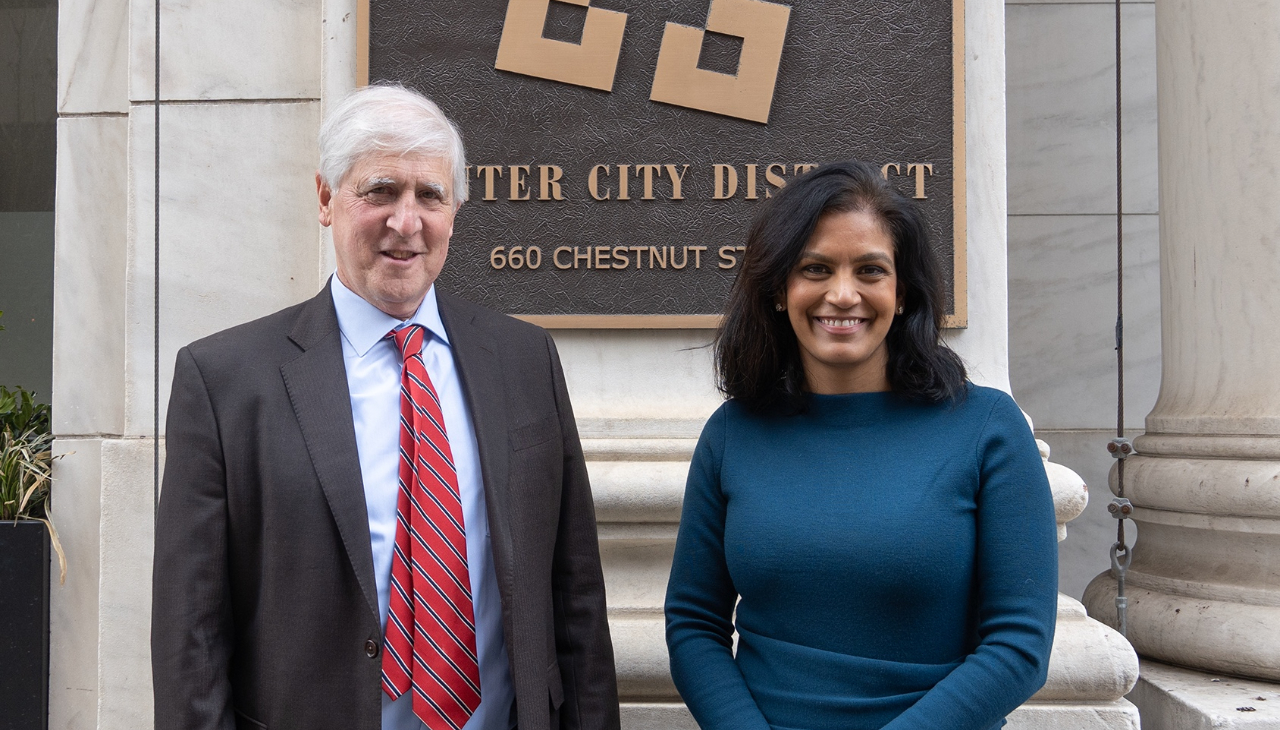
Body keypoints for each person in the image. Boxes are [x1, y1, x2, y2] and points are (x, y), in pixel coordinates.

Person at [151, 85, 620, 730]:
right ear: (326, 199)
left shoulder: (525, 361)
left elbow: (576, 601)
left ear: (454, 208)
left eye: (430, 195)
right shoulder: (226, 380)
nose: (407, 222)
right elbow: (190, 633)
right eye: (380, 192)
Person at [664, 160, 1058, 730]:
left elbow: (1020, 646)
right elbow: (694, 622)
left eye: (870, 270)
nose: (842, 294)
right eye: (816, 268)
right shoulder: (732, 433)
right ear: (780, 289)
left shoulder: (987, 428)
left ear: (902, 293)